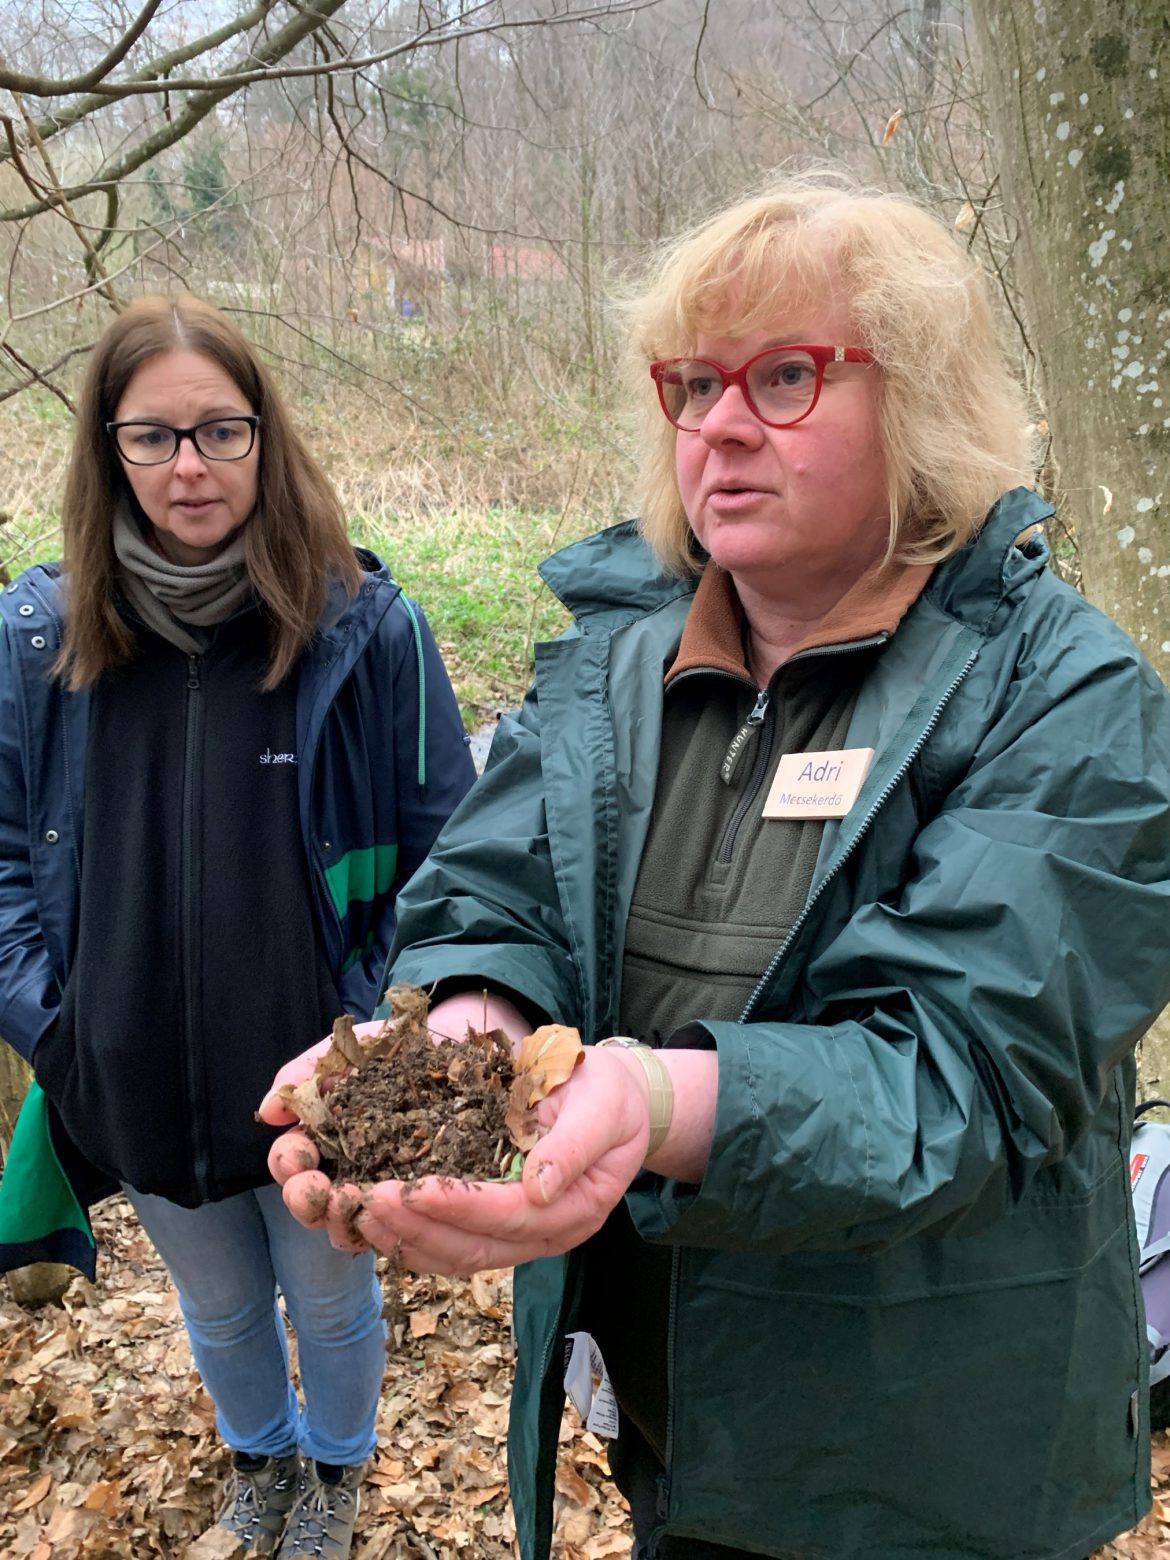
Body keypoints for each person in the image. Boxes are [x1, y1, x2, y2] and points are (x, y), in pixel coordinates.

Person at [265, 175, 1170, 1560]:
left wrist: (644, 1097)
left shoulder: (1065, 697)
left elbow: (959, 1074)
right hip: (673, 1422)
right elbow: (499, 896)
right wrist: (466, 1045)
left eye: (785, 375)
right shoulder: (617, 660)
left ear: (920, 401)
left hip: (931, 1463)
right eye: (692, 383)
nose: (720, 424)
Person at [0, 295, 476, 1559]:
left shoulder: (363, 628)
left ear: (265, 436)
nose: (189, 466)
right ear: (109, 449)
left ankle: (337, 1473)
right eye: (152, 437)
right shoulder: (41, 640)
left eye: (220, 430)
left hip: (323, 1090)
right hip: (130, 1076)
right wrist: (58, 1030)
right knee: (216, 1312)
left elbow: (450, 849)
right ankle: (262, 1460)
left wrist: (374, 1043)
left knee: (331, 1302)